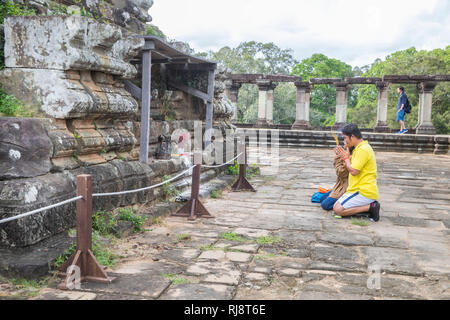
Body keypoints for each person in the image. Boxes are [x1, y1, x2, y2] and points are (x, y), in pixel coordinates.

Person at [333, 124, 380, 222]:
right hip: (355, 190)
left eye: (346, 137)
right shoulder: (360, 148)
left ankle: (371, 207)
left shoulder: (363, 149)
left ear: (352, 136)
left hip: (363, 191)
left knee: (337, 210)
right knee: (334, 205)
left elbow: (354, 171)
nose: (345, 141)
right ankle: (367, 208)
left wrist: (345, 159)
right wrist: (346, 157)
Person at [320, 141, 352, 211]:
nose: (344, 143)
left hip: (346, 188)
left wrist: (340, 158)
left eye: (345, 140)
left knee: (325, 204)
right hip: (340, 186)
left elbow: (341, 173)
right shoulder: (347, 154)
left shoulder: (351, 157)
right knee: (321, 198)